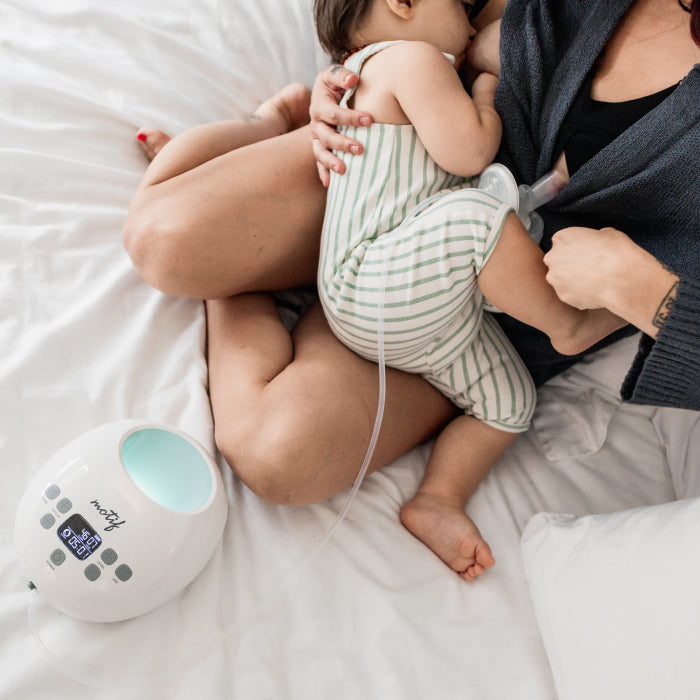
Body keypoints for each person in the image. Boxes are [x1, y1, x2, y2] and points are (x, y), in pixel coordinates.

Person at [123, 0, 700, 577]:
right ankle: (270, 135)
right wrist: (350, 75)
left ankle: (238, 287)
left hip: (489, 310)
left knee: (280, 455)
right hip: (392, 167)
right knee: (165, 239)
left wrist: (652, 297)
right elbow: (420, 19)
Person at [312, 0, 623, 579]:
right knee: (477, 217)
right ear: (401, 5)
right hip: (372, 280)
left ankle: (438, 498)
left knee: (511, 404)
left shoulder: (359, 78)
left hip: (417, 313)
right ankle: (569, 325)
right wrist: (482, 95)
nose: (469, 16)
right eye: (457, 3)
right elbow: (469, 151)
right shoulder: (410, 58)